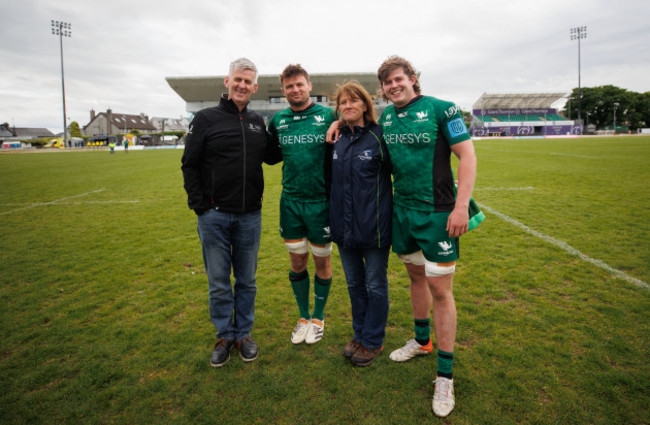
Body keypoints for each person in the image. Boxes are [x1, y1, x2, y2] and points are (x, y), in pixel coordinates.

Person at [327, 56, 484, 417]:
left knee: (441, 290)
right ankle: (421, 340)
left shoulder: (443, 110)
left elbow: (468, 156)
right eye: (387, 83)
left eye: (399, 79)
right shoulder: (388, 119)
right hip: (402, 214)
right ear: (381, 90)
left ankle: (445, 376)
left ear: (413, 79)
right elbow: (361, 128)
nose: (393, 86)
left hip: (440, 213)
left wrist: (461, 208)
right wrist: (338, 120)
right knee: (415, 278)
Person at [181, 58, 281, 368]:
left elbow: (273, 154)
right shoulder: (205, 118)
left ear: (255, 87)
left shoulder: (256, 121)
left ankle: (244, 335)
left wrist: (289, 122)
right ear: (228, 82)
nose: (242, 85)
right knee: (219, 281)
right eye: (237, 79)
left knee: (247, 281)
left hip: (249, 215)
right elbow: (190, 164)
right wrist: (200, 206)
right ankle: (225, 335)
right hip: (214, 216)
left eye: (247, 81)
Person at [267, 64, 337, 345]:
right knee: (297, 262)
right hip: (291, 203)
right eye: (289, 86)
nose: (295, 90)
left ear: (309, 86)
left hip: (321, 203)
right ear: (283, 91)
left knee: (323, 262)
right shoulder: (278, 121)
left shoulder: (329, 115)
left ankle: (318, 318)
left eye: (300, 84)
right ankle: (303, 316)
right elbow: (269, 155)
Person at [329, 82, 393, 367]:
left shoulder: (381, 137)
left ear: (366, 105)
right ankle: (359, 335)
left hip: (375, 228)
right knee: (355, 285)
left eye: (354, 100)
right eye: (343, 102)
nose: (348, 105)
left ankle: (373, 341)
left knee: (375, 285)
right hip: (344, 228)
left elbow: (399, 173)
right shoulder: (335, 139)